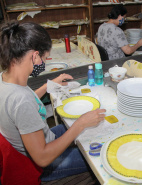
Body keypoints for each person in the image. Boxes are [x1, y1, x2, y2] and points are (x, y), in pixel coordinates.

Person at [0, 20, 106, 181]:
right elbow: (42, 157)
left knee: (87, 128)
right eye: (44, 58)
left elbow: (22, 106)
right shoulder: (21, 100)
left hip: (38, 139)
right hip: (42, 162)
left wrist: (47, 86)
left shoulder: (5, 79)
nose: (43, 63)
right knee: (100, 155)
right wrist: (81, 124)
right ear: (35, 56)